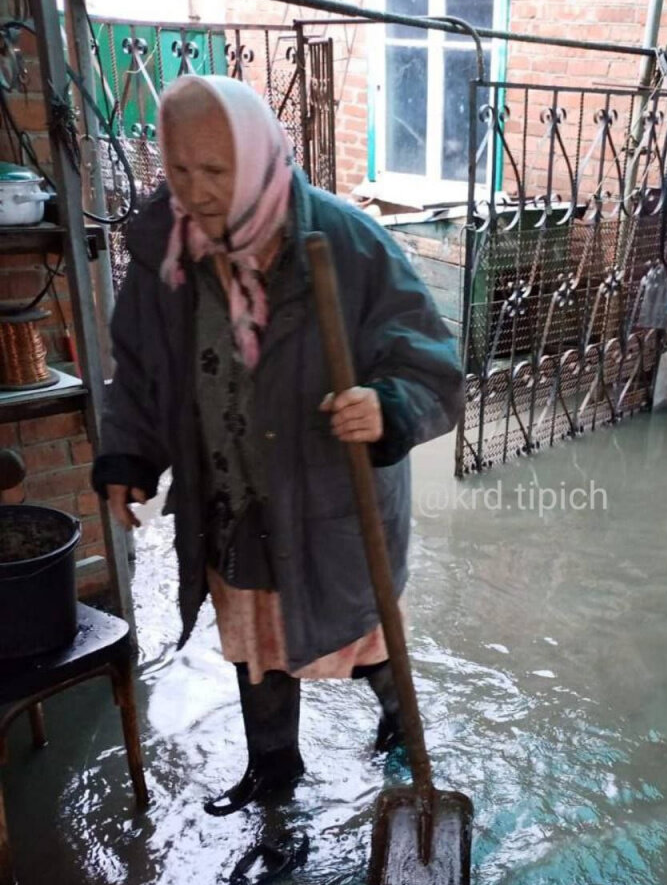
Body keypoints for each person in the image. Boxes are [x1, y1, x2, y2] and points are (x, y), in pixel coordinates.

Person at [91, 74, 463, 816]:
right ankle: (274, 775)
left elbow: (432, 367)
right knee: (255, 644)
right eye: (180, 169)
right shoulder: (169, 249)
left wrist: (386, 407)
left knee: (360, 632)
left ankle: (402, 732)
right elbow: (140, 368)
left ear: (260, 156)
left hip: (330, 503)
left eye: (216, 171)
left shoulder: (345, 242)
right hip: (231, 497)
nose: (194, 191)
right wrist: (129, 457)